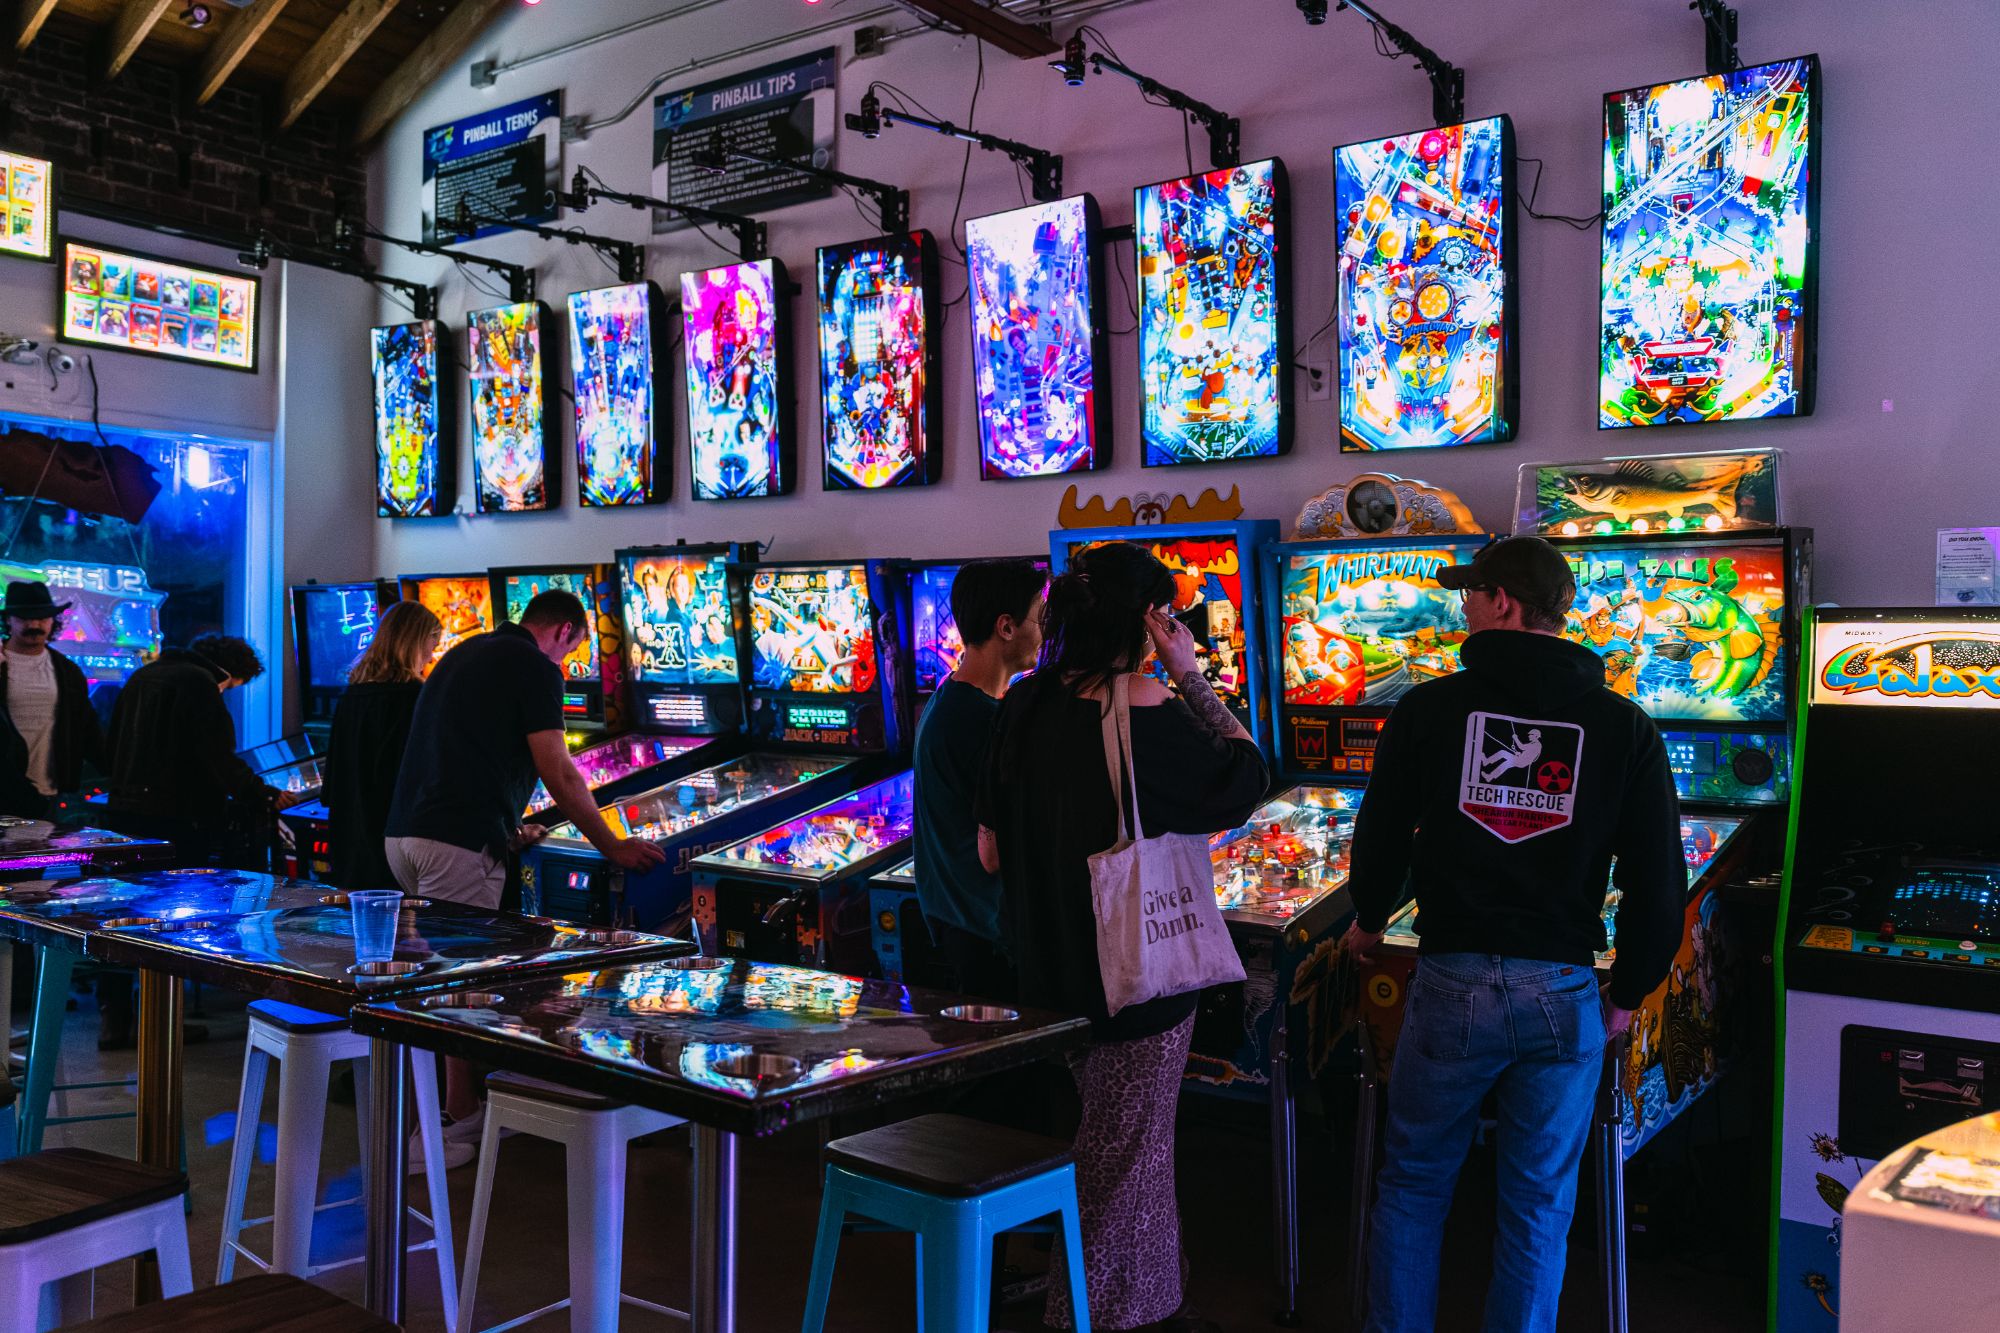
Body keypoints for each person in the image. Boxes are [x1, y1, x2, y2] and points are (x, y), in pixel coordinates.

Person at [1340, 536, 1685, 1333]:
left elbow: (1383, 837)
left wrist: (1365, 920)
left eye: (1472, 591)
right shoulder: (1623, 723)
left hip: (1453, 979)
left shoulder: (1430, 708)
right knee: (1537, 1204)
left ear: (1503, 603)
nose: (1462, 603)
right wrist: (1629, 991)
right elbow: (1658, 880)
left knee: (1417, 1184)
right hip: (1563, 991)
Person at [978, 541, 1268, 1333]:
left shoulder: (1022, 704)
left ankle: (1148, 1297)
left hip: (1046, 976)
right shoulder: (1140, 703)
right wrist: (1191, 675)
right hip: (1132, 980)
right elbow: (1245, 778)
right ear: (1149, 618)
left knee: (1130, 1156)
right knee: (1116, 1168)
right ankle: (1092, 1314)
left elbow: (989, 849)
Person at [385, 589, 665, 1145]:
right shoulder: (536, 666)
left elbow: (463, 754)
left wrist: (507, 830)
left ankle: (446, 1110)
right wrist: (613, 846)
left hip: (406, 838)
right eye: (574, 650)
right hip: (454, 842)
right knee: (463, 984)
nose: (567, 664)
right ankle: (458, 1118)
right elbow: (558, 769)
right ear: (564, 631)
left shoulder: (467, 653)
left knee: (441, 976)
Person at [911, 557, 1045, 999]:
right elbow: (998, 851)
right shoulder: (976, 719)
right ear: (1006, 627)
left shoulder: (954, 699)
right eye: (1039, 618)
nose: (1043, 632)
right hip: (983, 932)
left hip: (964, 922)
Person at [106, 633, 275, 866]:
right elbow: (217, 753)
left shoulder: (143, 675)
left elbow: (113, 740)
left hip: (126, 808)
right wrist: (261, 793)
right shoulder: (199, 681)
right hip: (178, 815)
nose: (223, 692)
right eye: (230, 687)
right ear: (226, 673)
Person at [324, 601, 441, 891]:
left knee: (360, 928)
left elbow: (334, 776)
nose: (432, 655)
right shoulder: (416, 697)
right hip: (396, 834)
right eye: (432, 642)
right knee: (403, 929)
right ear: (416, 640)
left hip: (349, 832)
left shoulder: (352, 694)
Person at [0, 580, 102, 819]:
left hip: (51, 793)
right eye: (24, 618)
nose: (34, 624)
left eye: (42, 618)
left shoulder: (66, 671)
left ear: (52, 621)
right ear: (9, 621)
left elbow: (86, 729)